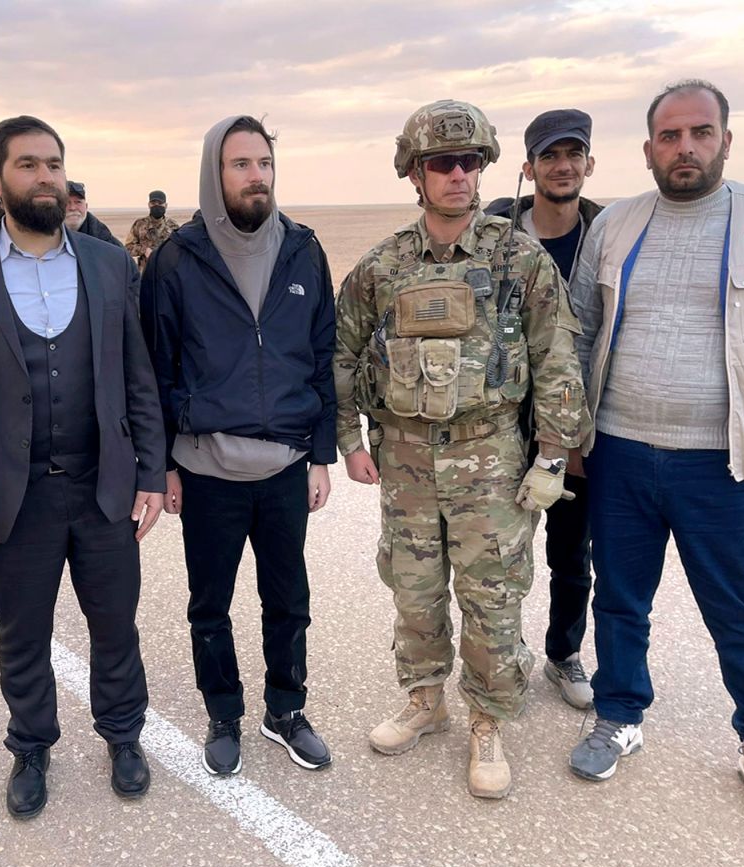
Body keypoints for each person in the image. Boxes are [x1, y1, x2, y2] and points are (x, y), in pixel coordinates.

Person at [566, 79, 744, 834]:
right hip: (621, 452)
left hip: (725, 465)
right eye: (669, 136)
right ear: (649, 148)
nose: (684, 147)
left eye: (699, 133)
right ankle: (618, 715)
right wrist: (573, 436)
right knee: (620, 599)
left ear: (727, 139)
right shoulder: (618, 225)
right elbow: (578, 334)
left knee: (742, 615)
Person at [335, 100, 590, 799]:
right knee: (414, 594)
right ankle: (425, 699)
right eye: (440, 164)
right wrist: (348, 440)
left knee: (492, 599)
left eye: (468, 162)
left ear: (483, 169)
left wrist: (552, 455)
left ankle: (487, 719)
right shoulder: (383, 266)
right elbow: (342, 350)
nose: (456, 175)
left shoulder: (519, 257)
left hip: (492, 461)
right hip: (409, 464)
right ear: (413, 174)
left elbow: (557, 357)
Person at [0, 115, 165, 817]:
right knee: (22, 631)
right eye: (28, 165)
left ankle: (123, 735)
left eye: (54, 164)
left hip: (103, 487)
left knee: (115, 623)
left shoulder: (109, 263)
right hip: (9, 495)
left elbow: (137, 376)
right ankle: (30, 745)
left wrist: (151, 472)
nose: (45, 177)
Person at [141, 115, 338, 776]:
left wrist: (320, 454)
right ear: (213, 173)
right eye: (241, 165)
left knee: (288, 602)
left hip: (284, 465)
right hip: (206, 470)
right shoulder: (177, 260)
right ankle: (223, 714)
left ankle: (285, 711)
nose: (257, 177)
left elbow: (321, 357)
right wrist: (163, 463)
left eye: (264, 163)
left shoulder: (304, 250)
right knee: (210, 607)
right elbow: (155, 368)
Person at [484, 109, 603, 710]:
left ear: (589, 162)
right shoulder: (495, 232)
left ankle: (563, 653)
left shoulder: (609, 233)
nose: (562, 166)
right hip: (503, 423)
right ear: (527, 168)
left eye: (573, 154)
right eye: (549, 156)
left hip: (576, 423)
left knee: (570, 552)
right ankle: (503, 656)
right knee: (500, 554)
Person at [125, 190, 179, 271]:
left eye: (160, 203)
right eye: (153, 203)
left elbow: (180, 249)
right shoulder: (139, 224)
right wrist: (145, 250)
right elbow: (128, 248)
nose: (156, 206)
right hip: (146, 272)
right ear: (149, 205)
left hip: (167, 272)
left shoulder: (173, 225)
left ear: (166, 205)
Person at [65, 180, 121, 247]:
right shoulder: (50, 237)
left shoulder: (103, 239)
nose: (73, 208)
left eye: (78, 202)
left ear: (86, 206)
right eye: (66, 203)